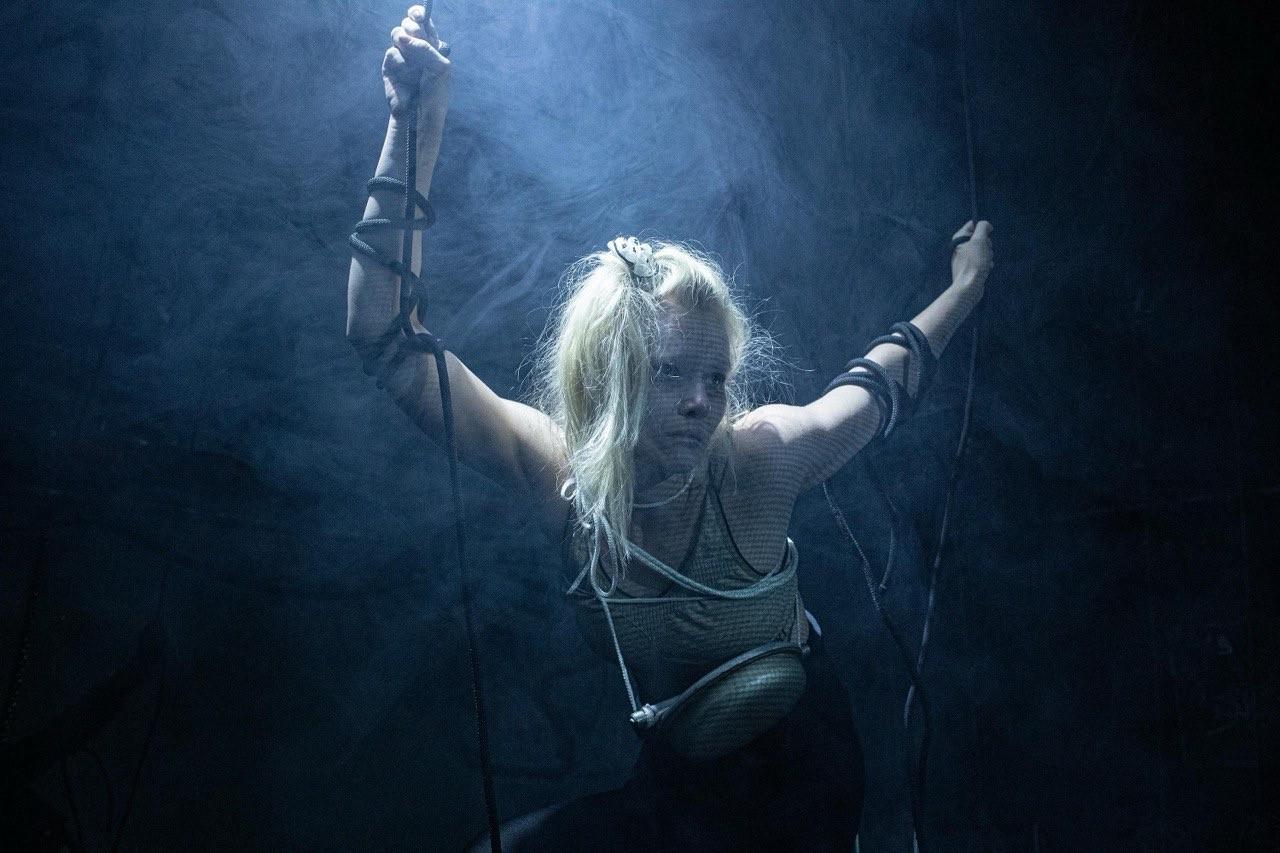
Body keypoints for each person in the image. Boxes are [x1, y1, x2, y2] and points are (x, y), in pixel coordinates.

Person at [346, 7, 994, 851]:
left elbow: (874, 385)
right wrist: (415, 124)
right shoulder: (565, 481)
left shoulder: (759, 458)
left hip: (804, 770)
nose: (701, 401)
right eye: (669, 373)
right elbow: (389, 345)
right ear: (608, 378)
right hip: (680, 784)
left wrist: (965, 290)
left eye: (715, 377)